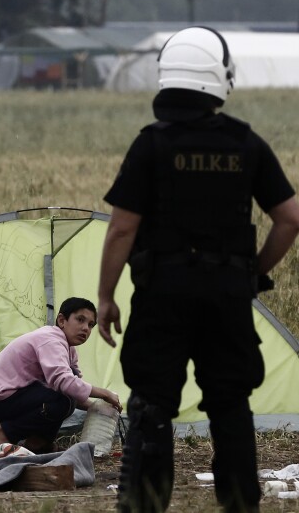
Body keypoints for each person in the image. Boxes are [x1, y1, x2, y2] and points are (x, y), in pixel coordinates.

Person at [96, 26, 299, 513]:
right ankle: (239, 505)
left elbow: (122, 229)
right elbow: (290, 217)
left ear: (167, 77)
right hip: (227, 296)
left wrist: (105, 296)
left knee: (152, 403)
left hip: (161, 294)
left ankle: (145, 503)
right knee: (231, 405)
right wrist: (251, 273)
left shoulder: (152, 144)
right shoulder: (245, 144)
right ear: (220, 78)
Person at [0, 297, 121, 455]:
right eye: (80, 320)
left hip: (14, 399)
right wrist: (105, 394)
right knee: (63, 397)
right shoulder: (50, 340)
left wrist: (97, 408)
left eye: (90, 325)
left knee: (67, 392)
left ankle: (37, 443)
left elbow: (73, 389)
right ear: (61, 320)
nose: (86, 328)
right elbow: (65, 383)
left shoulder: (68, 349)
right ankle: (3, 432)